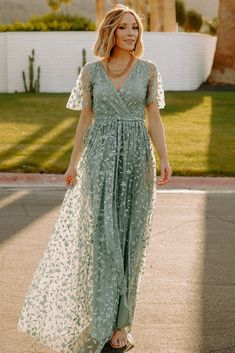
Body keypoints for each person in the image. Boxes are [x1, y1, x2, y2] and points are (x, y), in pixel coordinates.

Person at [17, 3, 172, 353]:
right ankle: (101, 318)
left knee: (130, 241)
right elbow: (84, 120)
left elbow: (154, 118)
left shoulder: (148, 70)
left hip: (136, 161)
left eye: (135, 28)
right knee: (103, 241)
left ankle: (121, 324)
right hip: (99, 162)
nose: (132, 34)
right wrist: (73, 164)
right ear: (111, 32)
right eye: (125, 28)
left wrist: (164, 157)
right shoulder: (91, 72)